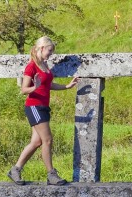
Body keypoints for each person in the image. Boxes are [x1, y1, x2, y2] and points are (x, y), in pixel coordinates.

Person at [8, 36, 79, 186]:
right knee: (47, 140)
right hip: (34, 106)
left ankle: (15, 170)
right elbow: (23, 90)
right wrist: (35, 86)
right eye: (49, 50)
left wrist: (67, 86)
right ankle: (51, 174)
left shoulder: (44, 65)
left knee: (36, 142)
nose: (51, 54)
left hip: (43, 107)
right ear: (41, 48)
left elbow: (49, 85)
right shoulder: (31, 66)